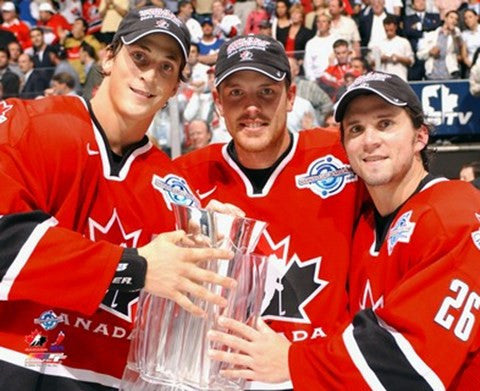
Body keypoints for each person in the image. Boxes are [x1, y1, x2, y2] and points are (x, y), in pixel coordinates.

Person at [0, 7, 237, 390]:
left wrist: (219, 246)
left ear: (176, 88)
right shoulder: (28, 125)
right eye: (139, 57)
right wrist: (133, 266)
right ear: (109, 58)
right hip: (13, 364)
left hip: (106, 380)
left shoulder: (172, 190)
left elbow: (186, 317)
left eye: (166, 67)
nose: (149, 75)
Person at [206, 71, 480, 389]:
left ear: (420, 136)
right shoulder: (365, 221)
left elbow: (411, 366)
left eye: (385, 124)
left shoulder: (454, 215)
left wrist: (293, 361)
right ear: (345, 148)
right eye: (356, 129)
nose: (370, 139)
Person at [175, 34, 361, 390]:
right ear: (217, 103)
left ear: (290, 98)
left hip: (321, 374)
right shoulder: (186, 177)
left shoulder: (341, 158)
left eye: (266, 92)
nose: (251, 107)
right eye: (236, 93)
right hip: (222, 378)